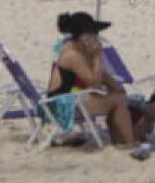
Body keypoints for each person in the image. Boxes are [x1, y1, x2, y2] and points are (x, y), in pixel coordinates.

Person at [47, 11, 135, 146]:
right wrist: (97, 55)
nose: (96, 38)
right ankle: (129, 143)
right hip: (62, 107)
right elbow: (94, 83)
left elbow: (101, 75)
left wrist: (116, 87)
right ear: (84, 36)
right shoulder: (72, 55)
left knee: (117, 96)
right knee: (117, 101)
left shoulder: (78, 49)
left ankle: (120, 141)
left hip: (70, 100)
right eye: (94, 35)